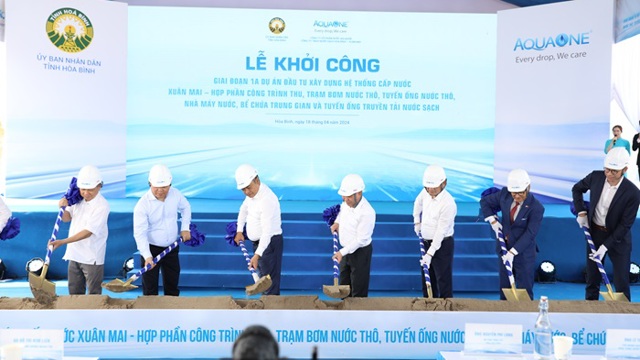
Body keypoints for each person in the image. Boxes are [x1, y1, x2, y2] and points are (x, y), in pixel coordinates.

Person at [572, 147, 640, 301]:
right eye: (607, 169)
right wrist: (581, 211)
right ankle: (590, 312)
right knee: (592, 279)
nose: (609, 174)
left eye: (614, 171)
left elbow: (625, 225)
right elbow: (577, 189)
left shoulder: (633, 193)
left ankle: (623, 317)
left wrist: (605, 247)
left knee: (621, 282)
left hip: (618, 239)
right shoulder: (596, 177)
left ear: (624, 169)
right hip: (595, 233)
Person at [479, 169, 544, 300]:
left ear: (528, 187)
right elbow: (485, 202)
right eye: (514, 193)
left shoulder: (536, 207)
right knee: (505, 288)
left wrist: (513, 252)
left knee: (524, 290)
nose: (516, 196)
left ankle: (526, 315)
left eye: (520, 192)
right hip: (504, 249)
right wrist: (492, 220)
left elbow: (530, 234)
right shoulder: (504, 194)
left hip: (523, 253)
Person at [49, 165, 110, 295]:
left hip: (91, 255)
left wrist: (63, 242)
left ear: (99, 186)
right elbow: (67, 218)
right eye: (83, 189)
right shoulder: (77, 199)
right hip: (74, 253)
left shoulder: (102, 206)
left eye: (90, 190)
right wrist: (62, 207)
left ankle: (94, 314)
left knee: (93, 293)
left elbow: (88, 232)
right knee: (74, 292)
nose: (86, 193)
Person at [133, 164, 192, 296]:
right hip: (151, 249)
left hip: (171, 247)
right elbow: (139, 233)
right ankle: (150, 313)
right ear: (149, 184)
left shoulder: (176, 194)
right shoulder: (142, 205)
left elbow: (186, 207)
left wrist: (185, 228)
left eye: (164, 187)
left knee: (172, 283)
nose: (160, 190)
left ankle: (171, 311)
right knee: (150, 288)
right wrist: (147, 256)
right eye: (156, 187)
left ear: (170, 184)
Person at [234, 164, 283, 295]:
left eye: (248, 188)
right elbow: (243, 210)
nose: (246, 192)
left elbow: (267, 232)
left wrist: (257, 254)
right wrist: (239, 230)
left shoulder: (267, 200)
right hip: (259, 244)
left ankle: (271, 309)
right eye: (243, 190)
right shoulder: (252, 195)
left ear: (257, 180)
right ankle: (266, 305)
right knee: (263, 280)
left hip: (269, 243)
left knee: (269, 282)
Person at [413, 165, 457, 298]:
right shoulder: (425, 192)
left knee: (443, 279)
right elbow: (418, 203)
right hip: (426, 242)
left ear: (444, 183)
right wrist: (417, 221)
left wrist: (430, 254)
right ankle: (428, 306)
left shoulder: (448, 204)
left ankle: (446, 309)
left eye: (434, 187)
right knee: (427, 279)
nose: (430, 190)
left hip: (442, 245)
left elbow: (440, 232)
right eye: (428, 187)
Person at [330, 174, 376, 298]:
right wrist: (337, 222)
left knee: (358, 289)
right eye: (343, 197)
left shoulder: (367, 212)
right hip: (345, 252)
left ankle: (358, 314)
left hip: (360, 253)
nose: (345, 200)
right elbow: (342, 211)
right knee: (344, 286)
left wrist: (341, 252)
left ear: (359, 193)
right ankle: (344, 312)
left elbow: (361, 240)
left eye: (348, 197)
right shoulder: (347, 202)